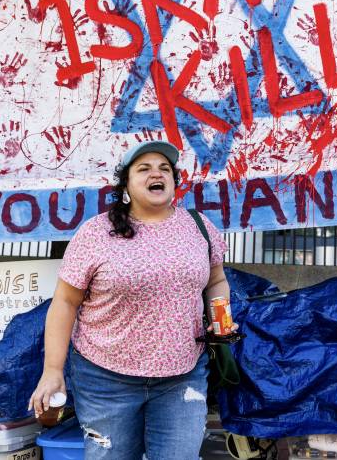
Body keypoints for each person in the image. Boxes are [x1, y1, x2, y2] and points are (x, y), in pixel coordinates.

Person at [28, 140, 232, 460]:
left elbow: (216, 280)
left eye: (165, 168)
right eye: (144, 168)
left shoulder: (199, 227)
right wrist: (52, 369)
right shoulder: (96, 233)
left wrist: (222, 320)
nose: (157, 173)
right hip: (106, 380)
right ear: (126, 184)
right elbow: (65, 302)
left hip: (183, 376)